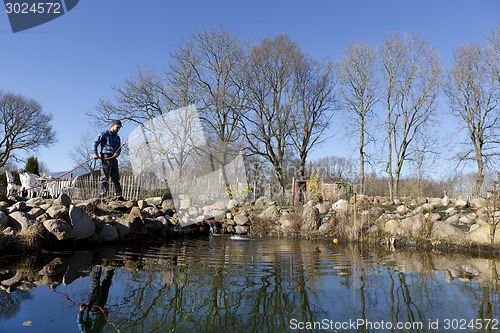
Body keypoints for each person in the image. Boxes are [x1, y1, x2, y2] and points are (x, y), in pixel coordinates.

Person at [93, 120, 124, 201]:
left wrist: (118, 153)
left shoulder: (117, 137)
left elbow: (119, 148)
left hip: (114, 157)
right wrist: (95, 153)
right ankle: (103, 195)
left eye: (119, 128)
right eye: (117, 127)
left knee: (116, 177)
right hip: (105, 156)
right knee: (105, 176)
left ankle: (118, 196)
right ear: (113, 126)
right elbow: (95, 142)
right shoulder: (104, 133)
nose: (118, 129)